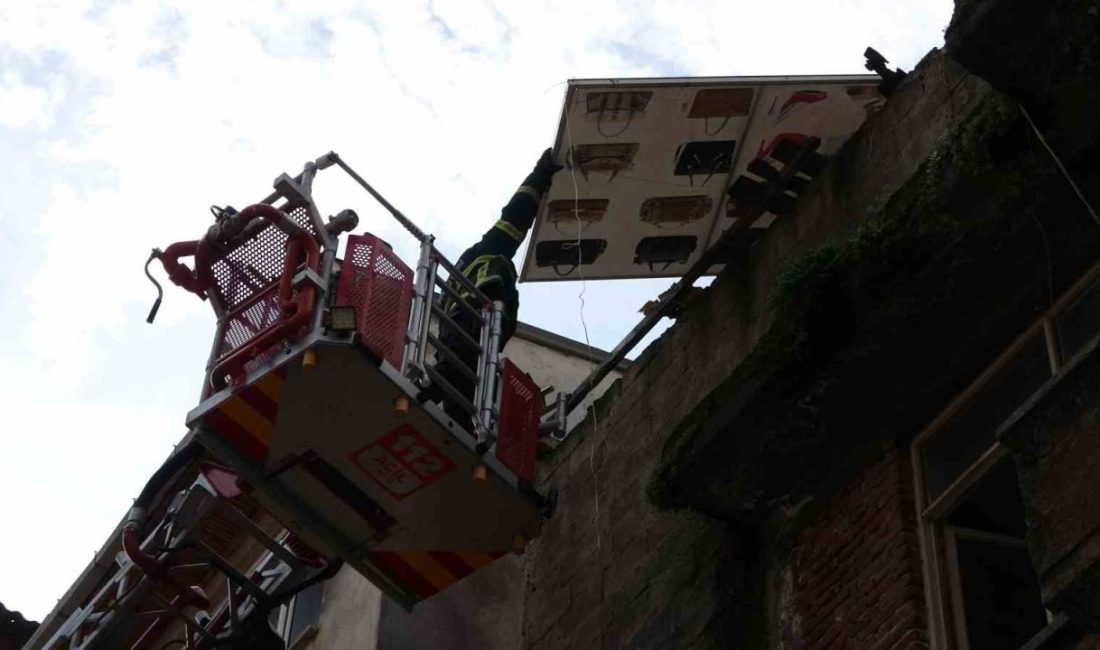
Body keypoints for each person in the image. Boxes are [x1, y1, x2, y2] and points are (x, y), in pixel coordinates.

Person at [424, 148, 563, 427]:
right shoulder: (487, 250)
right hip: (474, 317)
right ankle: (436, 402)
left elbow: (517, 212)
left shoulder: (459, 275)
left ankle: (453, 421)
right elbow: (517, 214)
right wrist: (541, 173)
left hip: (475, 326)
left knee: (462, 388)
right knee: (458, 371)